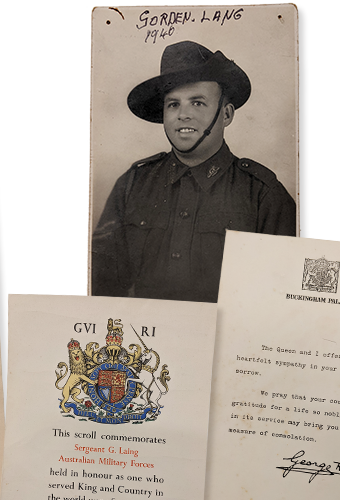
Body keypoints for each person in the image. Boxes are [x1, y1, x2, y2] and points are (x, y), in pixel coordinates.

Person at [91, 40, 296, 303]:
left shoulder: (263, 194)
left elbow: (283, 300)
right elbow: (100, 288)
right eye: (173, 104)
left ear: (226, 115)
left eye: (197, 103)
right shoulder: (132, 185)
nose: (183, 115)